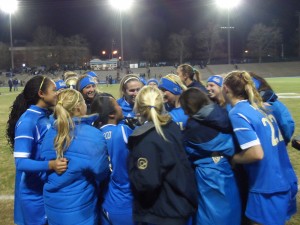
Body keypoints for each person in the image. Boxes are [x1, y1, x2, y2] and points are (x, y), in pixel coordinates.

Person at [222, 71, 291, 225]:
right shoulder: (261, 107)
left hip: (266, 186)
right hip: (282, 178)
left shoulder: (238, 113)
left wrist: (235, 159)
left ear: (226, 89)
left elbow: (256, 153)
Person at [127, 86, 198, 225]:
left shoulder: (145, 139)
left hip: (160, 213)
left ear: (138, 108)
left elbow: (146, 183)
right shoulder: (171, 127)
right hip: (179, 204)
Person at [40, 89, 110, 225]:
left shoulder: (50, 132)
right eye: (83, 102)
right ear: (78, 107)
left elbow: (44, 162)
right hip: (79, 208)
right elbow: (101, 172)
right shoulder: (92, 134)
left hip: (52, 204)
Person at [6, 75, 68, 225]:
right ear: (41, 94)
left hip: (45, 189)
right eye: (54, 90)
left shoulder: (45, 116)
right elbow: (20, 163)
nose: (57, 93)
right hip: (34, 195)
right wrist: (51, 165)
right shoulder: (27, 121)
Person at [179, 88, 241, 225]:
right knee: (231, 209)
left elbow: (186, 151)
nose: (184, 112)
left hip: (208, 174)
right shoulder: (222, 112)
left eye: (185, 108)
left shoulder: (193, 126)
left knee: (210, 213)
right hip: (227, 168)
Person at [250, 72, 298, 221]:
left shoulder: (258, 106)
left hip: (263, 164)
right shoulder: (274, 102)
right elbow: (288, 127)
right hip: (277, 157)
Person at [91, 94, 135, 225]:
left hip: (104, 201)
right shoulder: (122, 130)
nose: (121, 107)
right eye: (117, 105)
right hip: (125, 201)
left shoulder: (94, 135)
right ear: (111, 114)